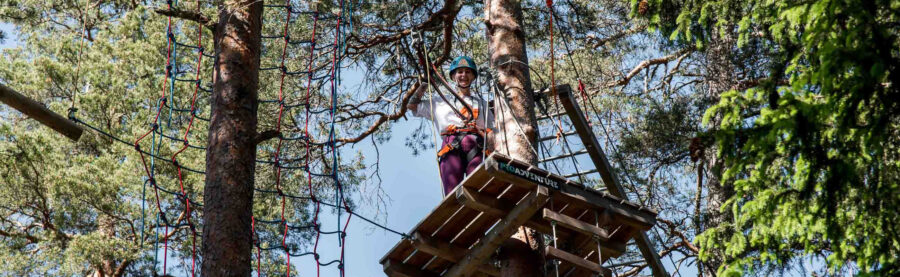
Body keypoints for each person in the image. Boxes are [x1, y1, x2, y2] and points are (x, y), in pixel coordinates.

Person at [408, 56, 493, 196]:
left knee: (480, 189)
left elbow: (492, 133)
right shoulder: (440, 101)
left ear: (473, 77)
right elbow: (412, 105)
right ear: (453, 76)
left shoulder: (482, 104)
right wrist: (423, 85)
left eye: (467, 72)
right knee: (452, 193)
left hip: (477, 146)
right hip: (451, 146)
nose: (463, 75)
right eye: (459, 72)